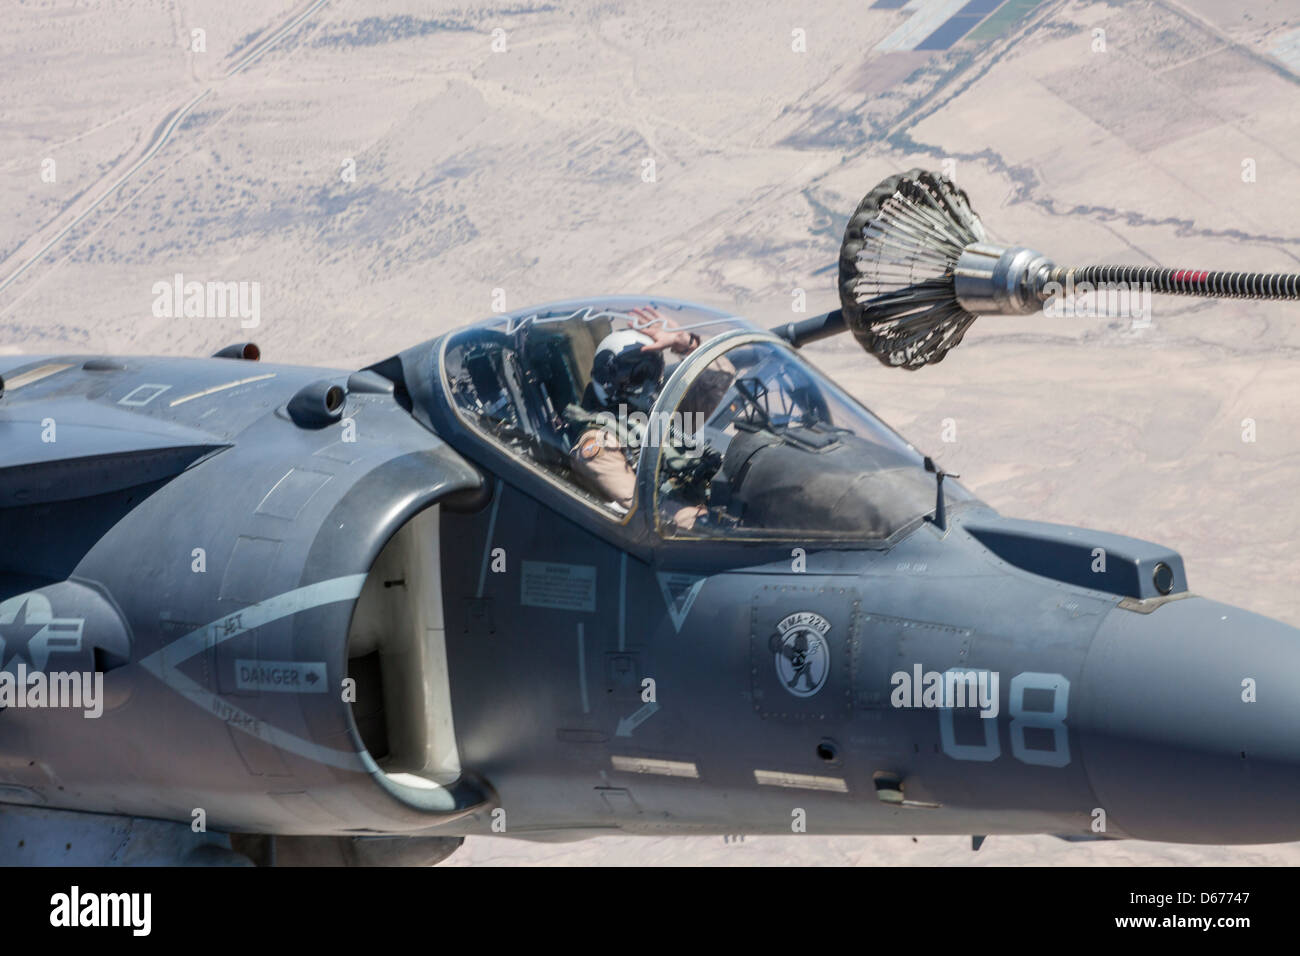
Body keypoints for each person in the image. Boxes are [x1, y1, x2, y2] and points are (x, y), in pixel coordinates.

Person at [563, 307, 712, 523]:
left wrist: (686, 344)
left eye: (653, 372)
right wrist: (707, 522)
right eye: (638, 374)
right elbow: (650, 509)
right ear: (608, 378)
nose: (648, 385)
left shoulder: (658, 416)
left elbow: (717, 379)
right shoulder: (599, 444)